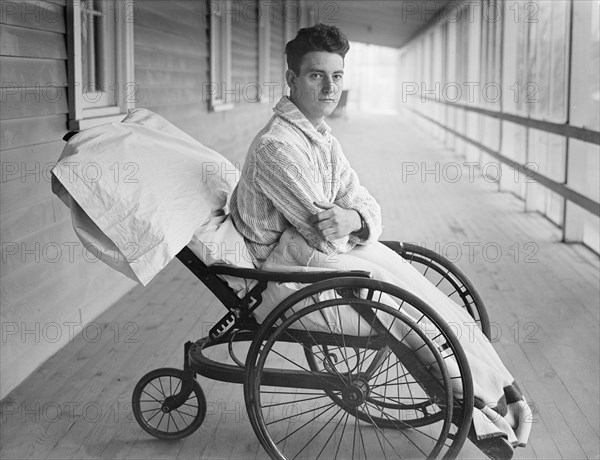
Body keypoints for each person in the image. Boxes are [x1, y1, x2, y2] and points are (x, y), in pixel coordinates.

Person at [230, 23, 531, 457]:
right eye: (316, 75)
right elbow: (325, 237)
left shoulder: (320, 137)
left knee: (418, 287)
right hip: (285, 268)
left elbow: (363, 201)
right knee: (401, 301)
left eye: (337, 76)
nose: (330, 87)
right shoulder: (278, 147)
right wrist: (350, 223)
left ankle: (497, 388)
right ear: (292, 80)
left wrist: (353, 216)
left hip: (316, 254)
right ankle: (480, 403)